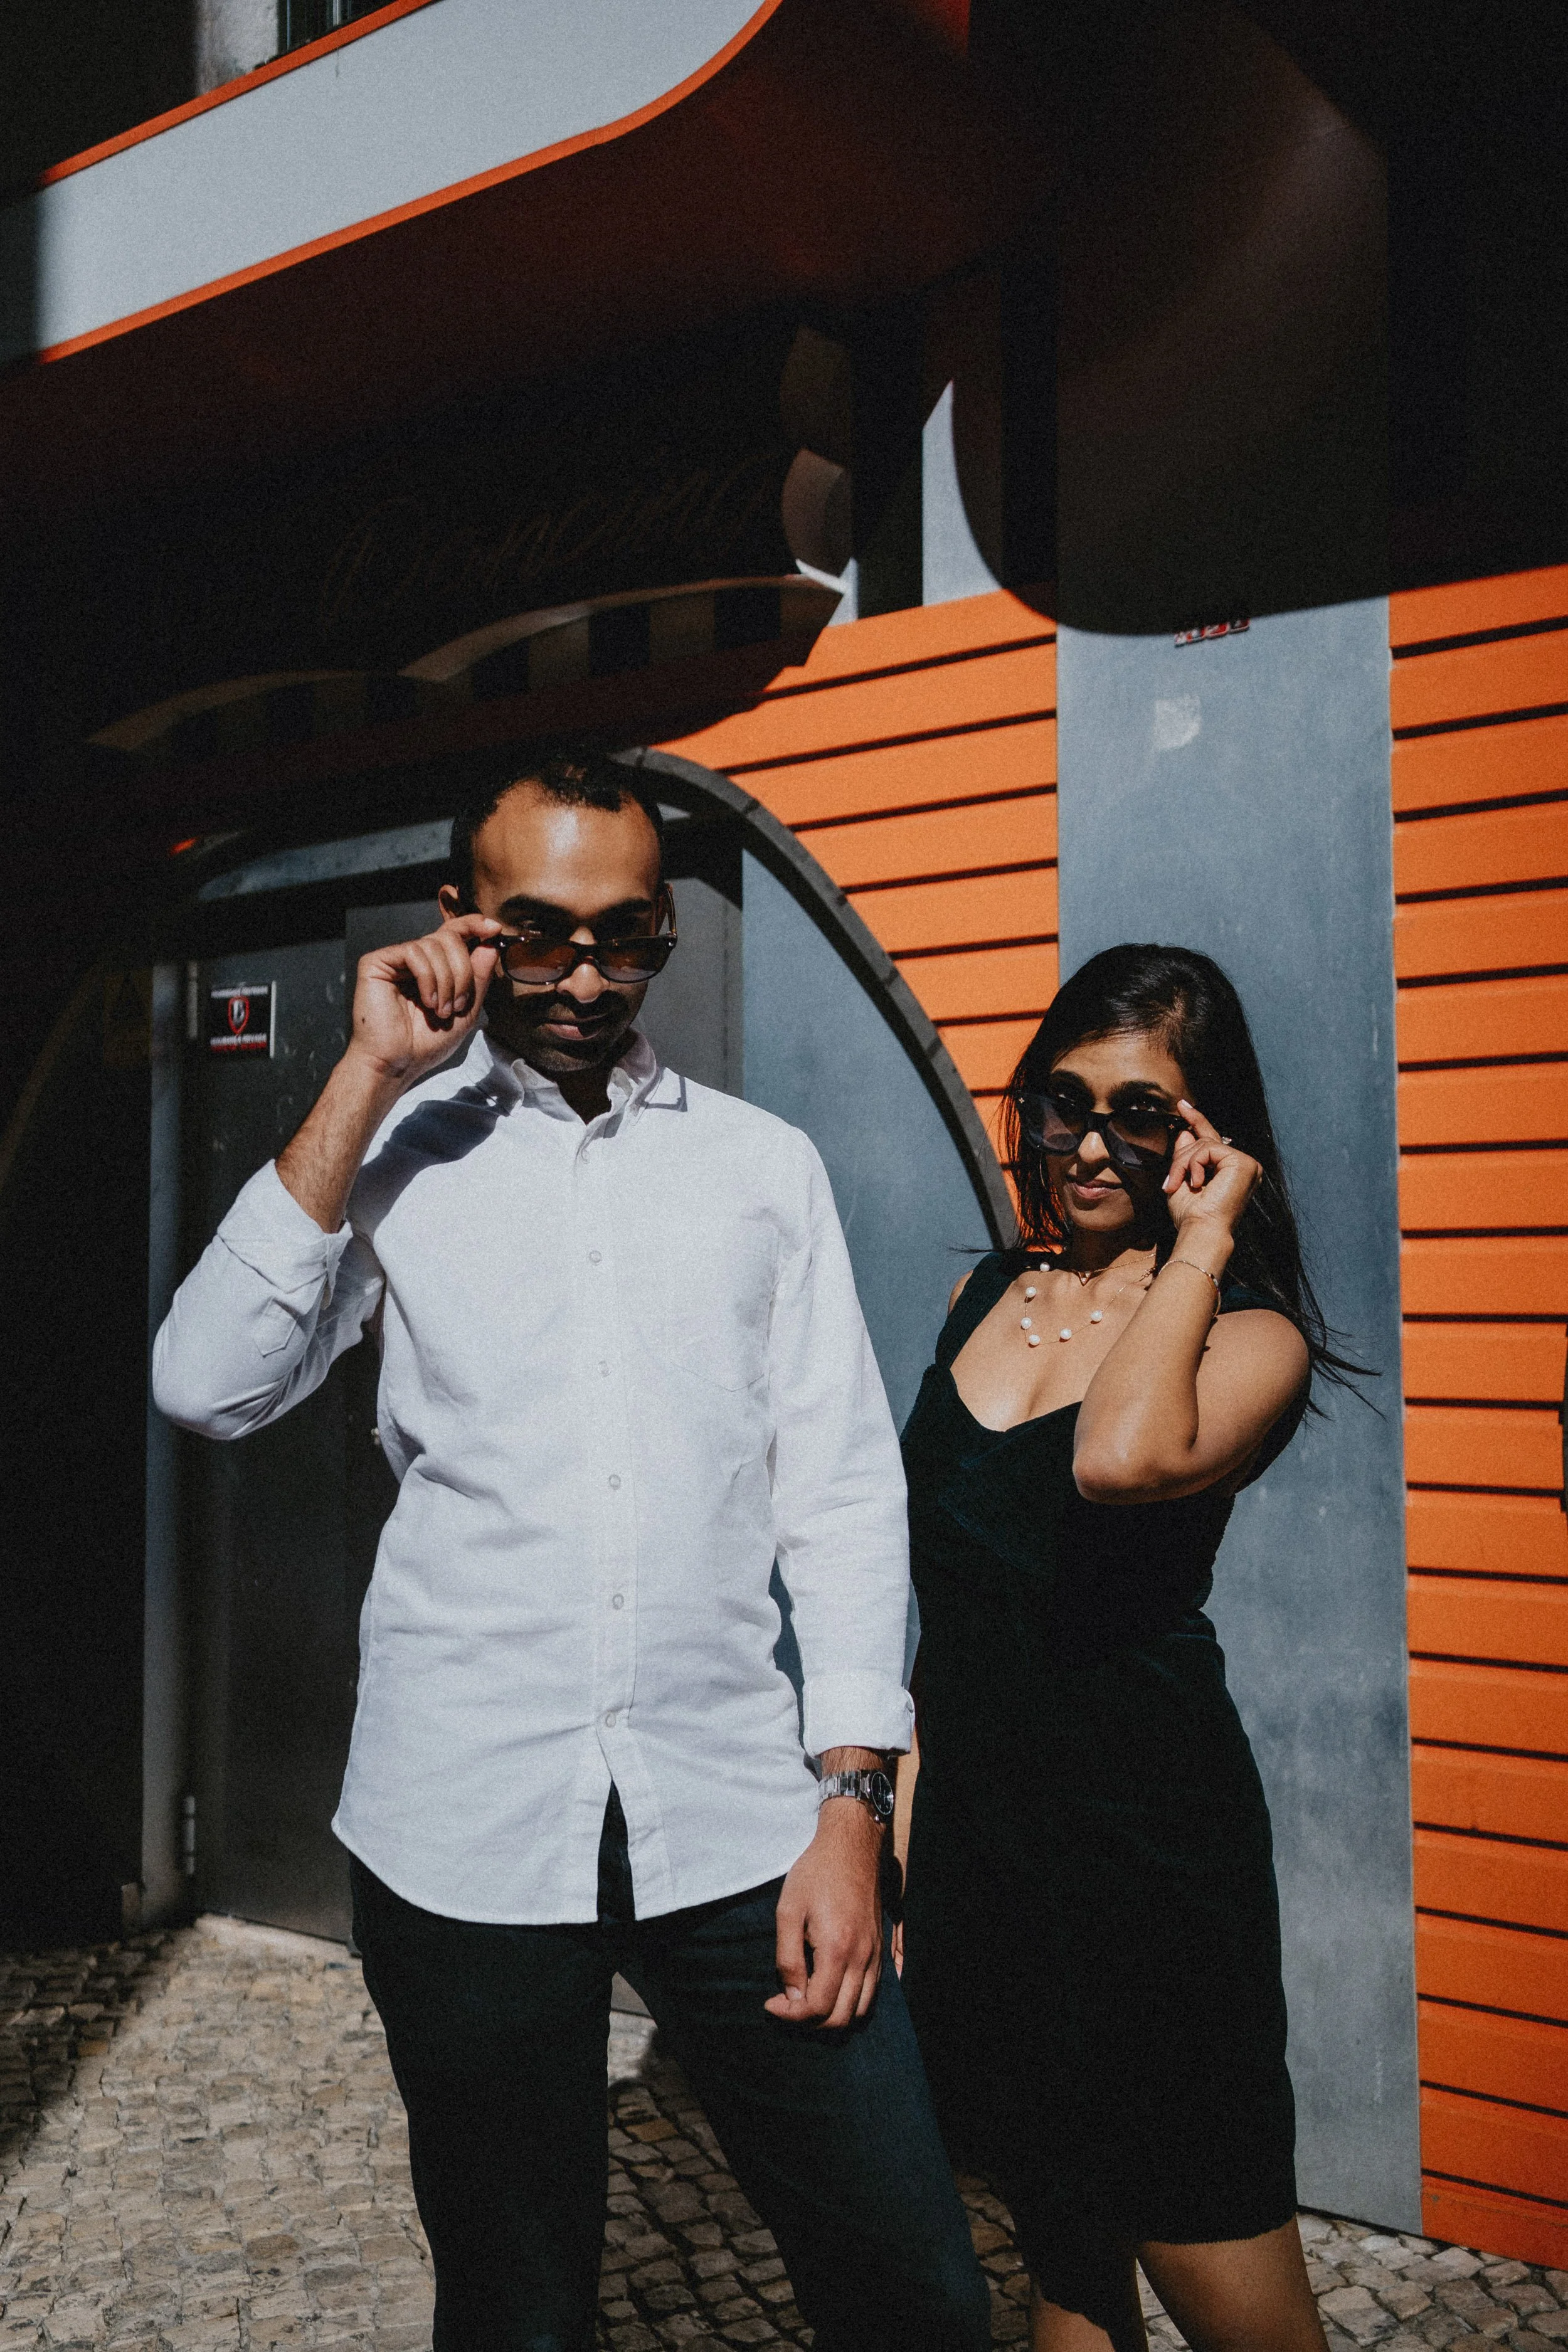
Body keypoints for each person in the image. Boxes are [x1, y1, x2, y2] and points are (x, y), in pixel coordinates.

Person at [154, 750, 989, 2352]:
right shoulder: (391, 1154)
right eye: (538, 934)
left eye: (626, 937)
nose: (586, 978)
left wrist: (853, 1803)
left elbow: (840, 1496)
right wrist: (362, 1078)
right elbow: (205, 1386)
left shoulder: (761, 1170)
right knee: (521, 2309)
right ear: (458, 926)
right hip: (464, 1821)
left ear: (665, 930)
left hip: (740, 1816)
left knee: (913, 2291)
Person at [898, 942, 1360, 2352]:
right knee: (1065, 2259)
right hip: (985, 1862)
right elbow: (946, 1621)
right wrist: (900, 1854)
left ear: (1205, 1138)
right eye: (1063, 1101)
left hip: (1144, 1875)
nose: (1089, 1141)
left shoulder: (1249, 1337)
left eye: (1139, 1112)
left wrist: (1204, 1240)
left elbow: (1114, 1457)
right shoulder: (984, 1295)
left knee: (1219, 2271)